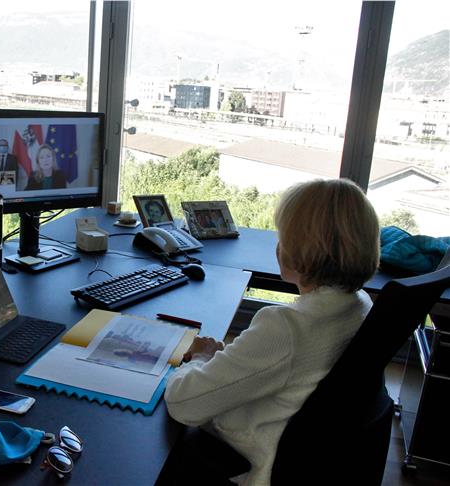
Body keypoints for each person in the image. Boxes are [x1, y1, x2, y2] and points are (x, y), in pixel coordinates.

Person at [160, 179, 380, 485]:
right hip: (317, 454)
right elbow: (278, 368)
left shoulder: (286, 328)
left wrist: (201, 358)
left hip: (253, 458)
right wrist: (225, 359)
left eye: (283, 236)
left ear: (296, 251)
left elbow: (183, 404)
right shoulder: (360, 305)